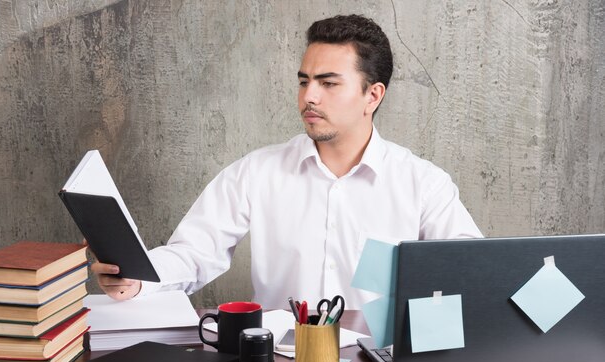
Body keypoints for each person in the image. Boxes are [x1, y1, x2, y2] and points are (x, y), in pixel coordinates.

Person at [91, 14, 482, 309]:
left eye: (328, 83)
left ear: (372, 96)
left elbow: (472, 271)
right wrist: (139, 280)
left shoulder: (422, 184)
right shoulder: (257, 172)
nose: (309, 96)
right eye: (303, 81)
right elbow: (194, 252)